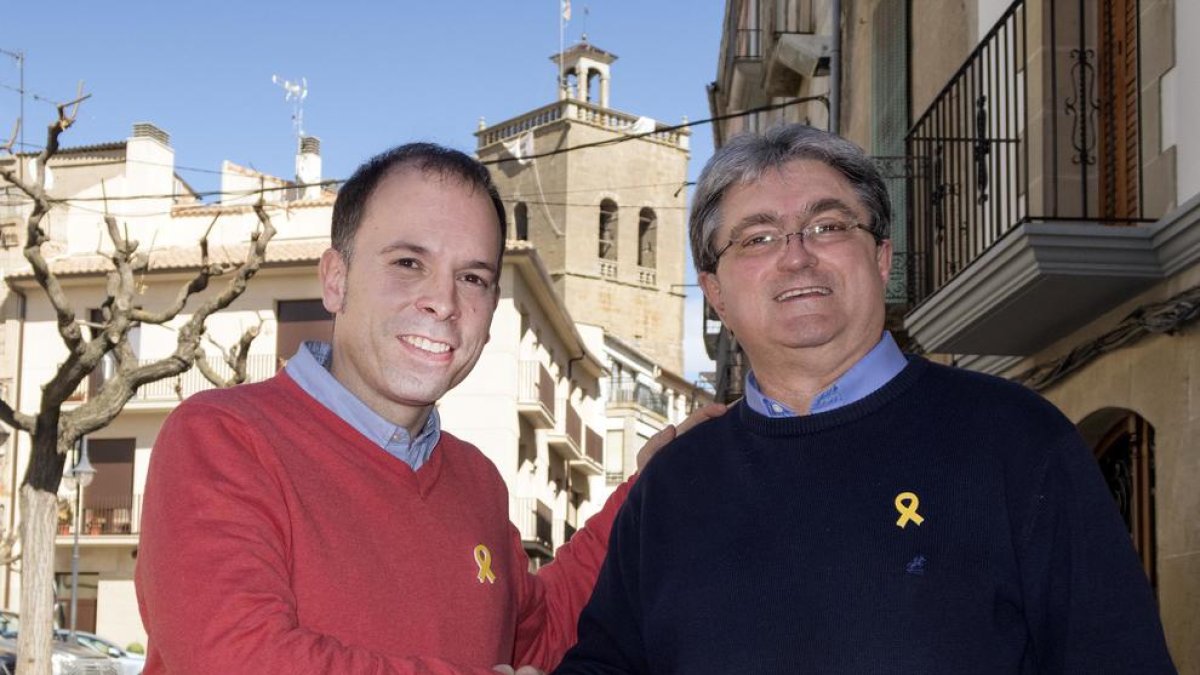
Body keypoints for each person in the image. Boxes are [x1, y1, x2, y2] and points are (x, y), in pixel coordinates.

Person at [555, 125, 1177, 674]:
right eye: (758, 238)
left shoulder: (1016, 439)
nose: (797, 256)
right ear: (715, 292)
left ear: (880, 258)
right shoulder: (672, 485)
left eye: (828, 226)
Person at [135, 143, 721, 674]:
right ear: (335, 281)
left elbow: (543, 632)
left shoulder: (477, 481)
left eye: (472, 277)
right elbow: (233, 657)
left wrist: (648, 490)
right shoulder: (223, 437)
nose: (442, 301)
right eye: (408, 263)